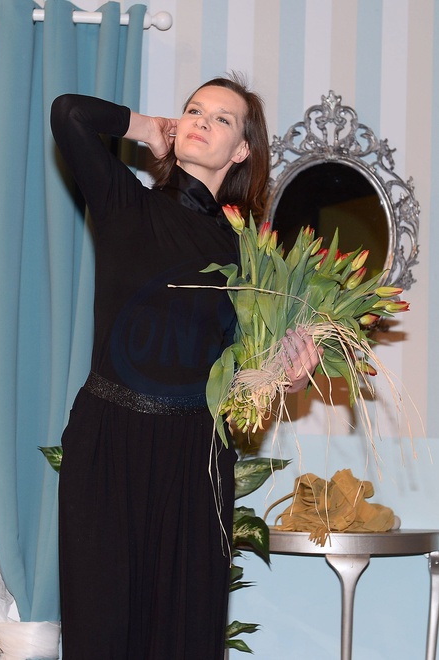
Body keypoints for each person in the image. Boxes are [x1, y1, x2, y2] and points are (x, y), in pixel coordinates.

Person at [50, 73, 320, 660]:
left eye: (222, 119)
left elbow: (247, 377)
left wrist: (290, 374)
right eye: (195, 110)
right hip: (108, 444)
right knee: (100, 636)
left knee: (184, 640)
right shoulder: (125, 203)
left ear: (242, 150)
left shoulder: (249, 258)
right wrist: (148, 128)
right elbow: (69, 113)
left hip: (196, 459)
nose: (202, 121)